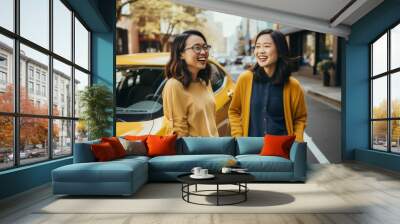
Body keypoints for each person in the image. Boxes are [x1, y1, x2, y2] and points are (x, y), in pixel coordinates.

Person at [228, 29, 307, 142]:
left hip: (281, 152)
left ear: (279, 50)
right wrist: (238, 137)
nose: (260, 51)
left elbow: (300, 118)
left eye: (266, 46)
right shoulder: (245, 79)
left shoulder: (293, 85)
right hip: (251, 150)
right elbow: (234, 111)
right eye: (258, 46)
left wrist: (296, 141)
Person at [162, 30, 219, 137]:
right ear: (181, 54)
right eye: (197, 48)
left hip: (215, 150)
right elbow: (178, 133)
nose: (203, 52)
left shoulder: (204, 82)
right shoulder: (174, 85)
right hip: (195, 152)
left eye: (205, 47)